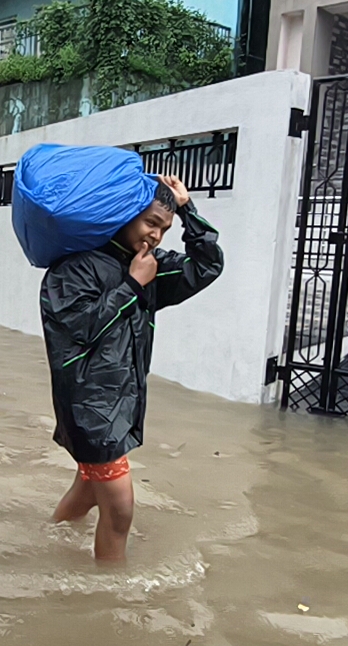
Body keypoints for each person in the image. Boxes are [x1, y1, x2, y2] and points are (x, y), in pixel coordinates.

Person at [42, 175, 223, 562]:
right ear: (124, 214)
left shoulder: (150, 267)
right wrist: (132, 286)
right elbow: (79, 331)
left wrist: (187, 209)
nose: (156, 236)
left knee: (88, 492)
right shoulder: (72, 269)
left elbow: (207, 265)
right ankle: (108, 604)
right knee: (120, 511)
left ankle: (46, 544)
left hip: (122, 407)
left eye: (164, 229)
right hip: (89, 411)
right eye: (150, 223)